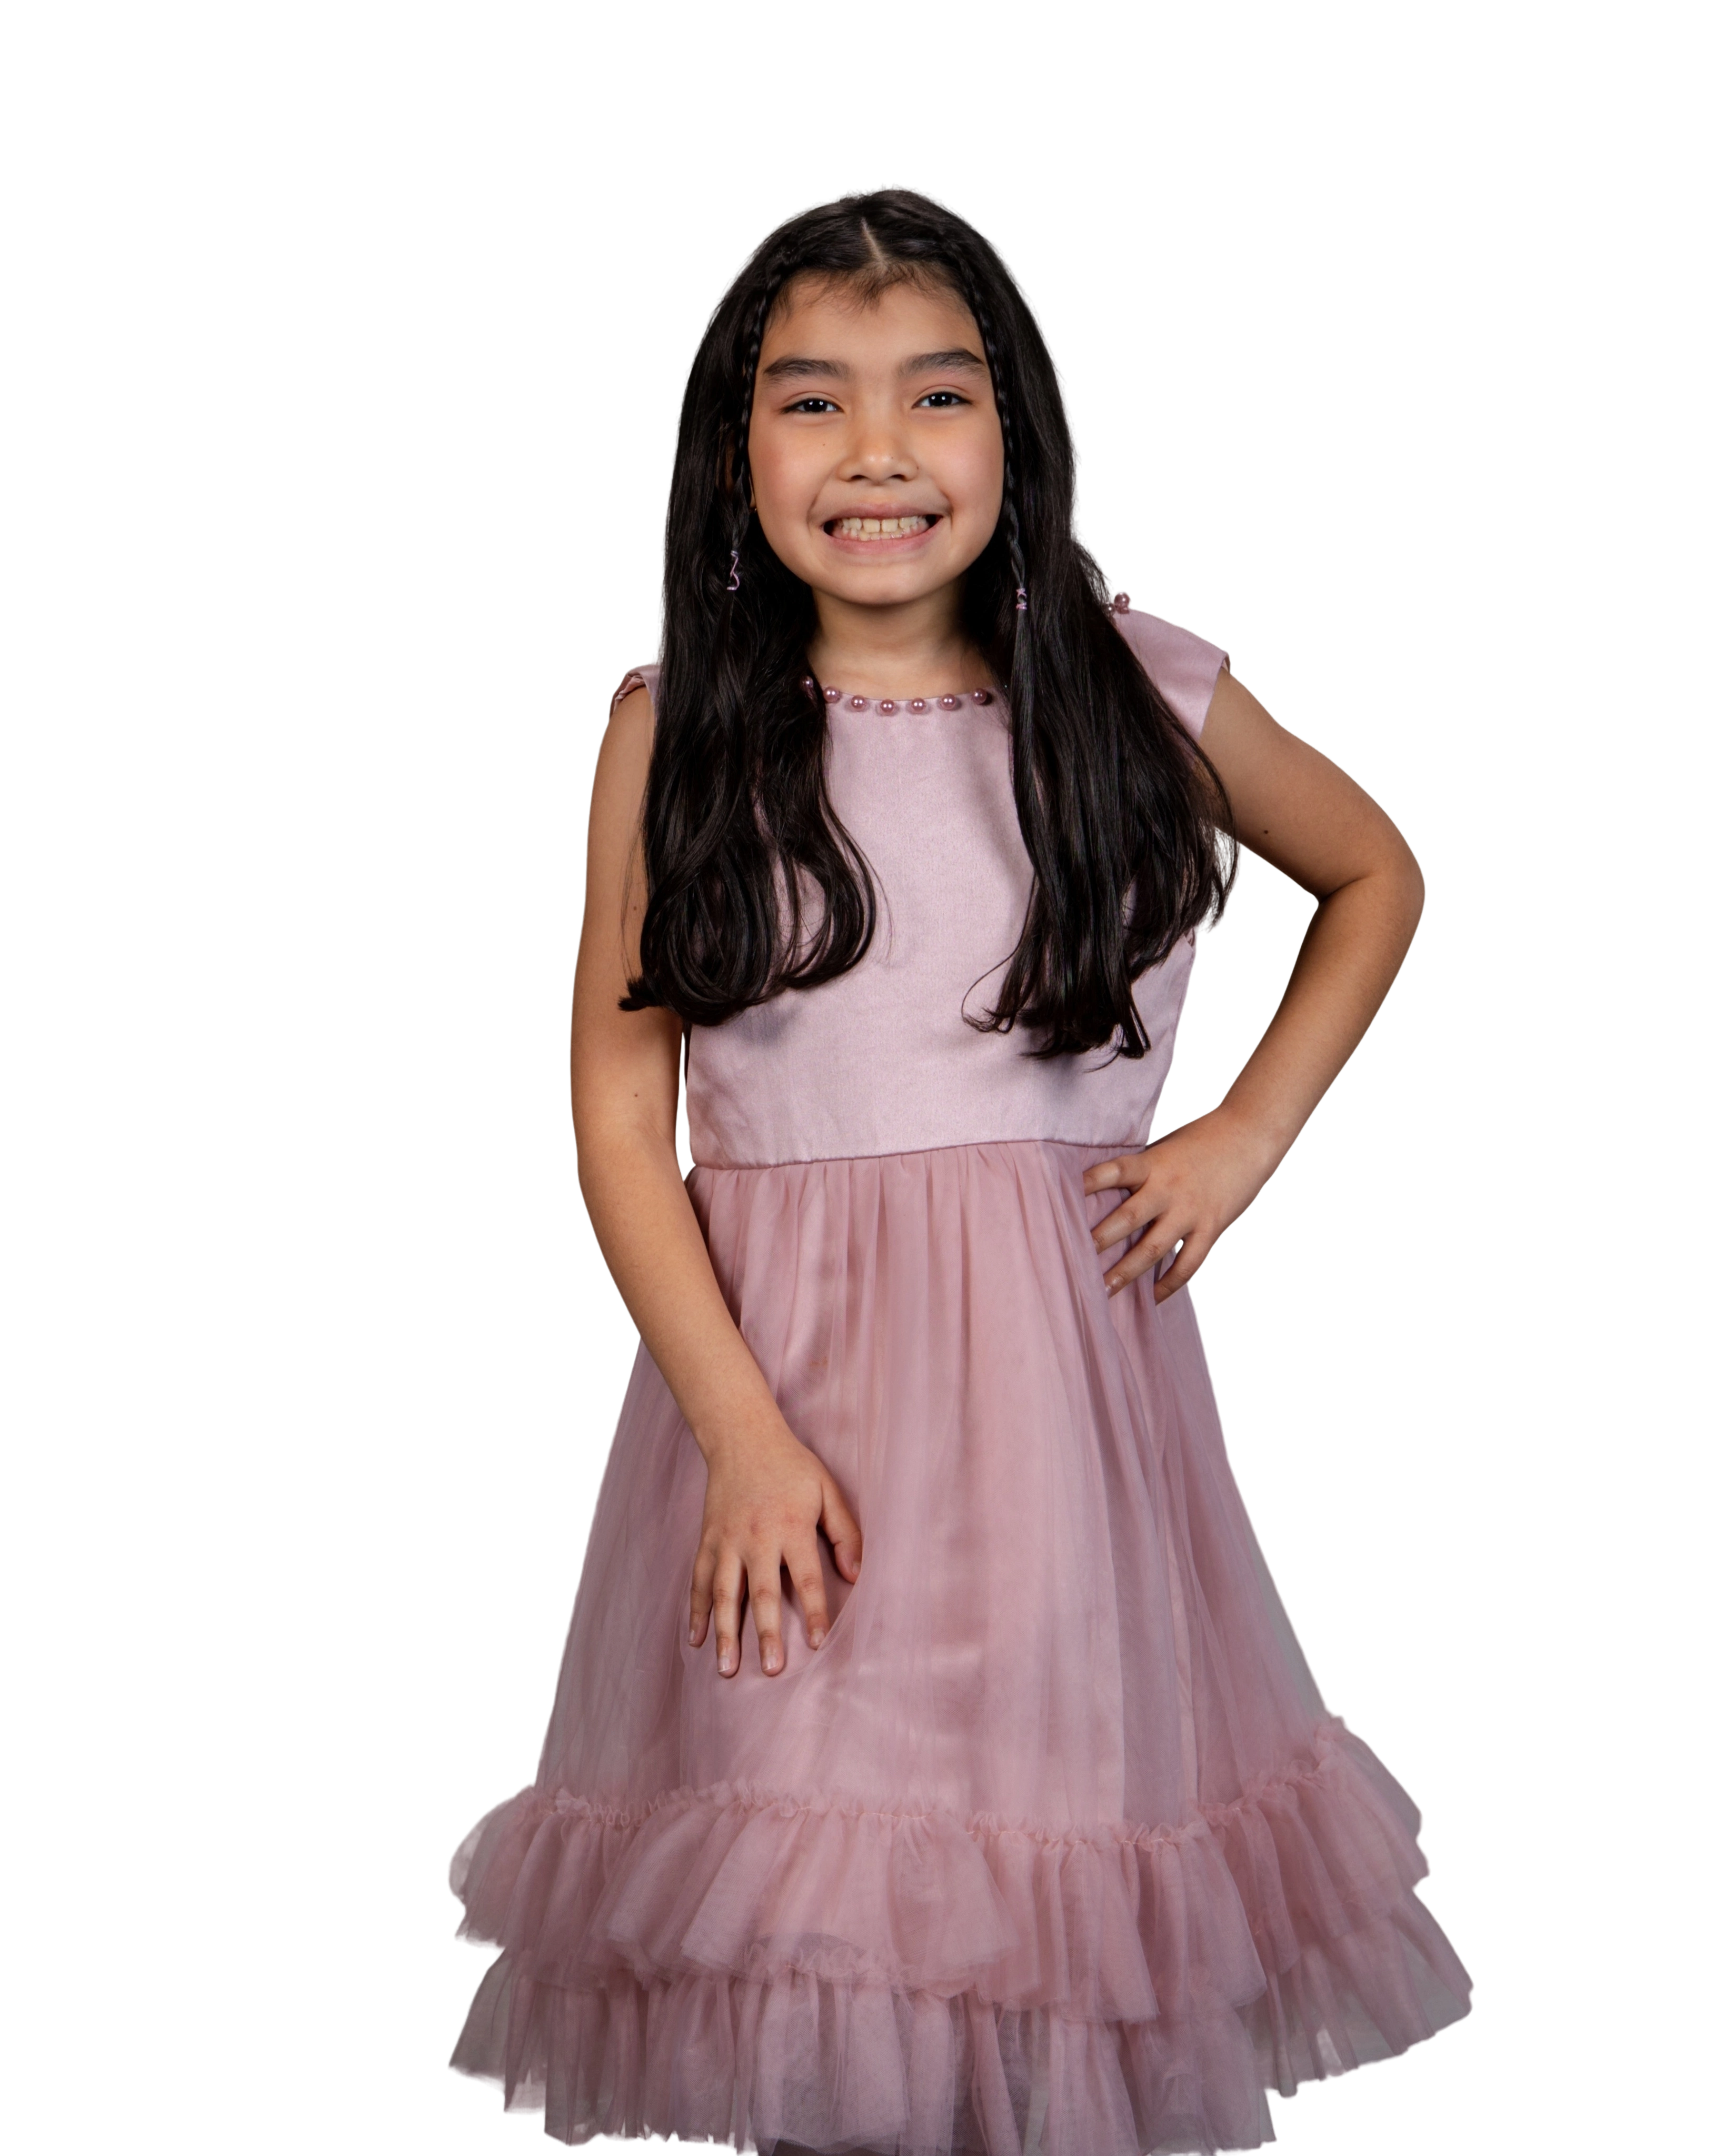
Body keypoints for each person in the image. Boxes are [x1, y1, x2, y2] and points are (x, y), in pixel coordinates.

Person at [444, 182, 1476, 2156]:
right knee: (815, 1917)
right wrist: (741, 1435)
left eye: (935, 395)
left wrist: (1242, 1136)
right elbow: (619, 1113)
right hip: (780, 1421)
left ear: (1019, 432)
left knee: (1041, 1900)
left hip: (1056, 1436)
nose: (877, 452)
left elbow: (1373, 872)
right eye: (809, 401)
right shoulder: (675, 733)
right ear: (730, 448)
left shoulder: (1142, 693)